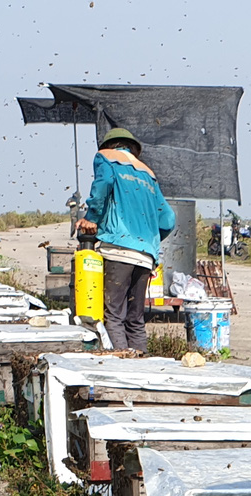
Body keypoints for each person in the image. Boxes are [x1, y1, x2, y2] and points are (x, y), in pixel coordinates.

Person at [76, 127, 176, 351]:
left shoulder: (106, 158)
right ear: (133, 149)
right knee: (136, 319)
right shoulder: (148, 173)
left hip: (117, 249)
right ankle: (143, 372)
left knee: (113, 316)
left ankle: (121, 370)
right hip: (145, 256)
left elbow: (102, 187)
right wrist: (148, 240)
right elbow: (168, 219)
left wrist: (91, 218)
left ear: (110, 145)